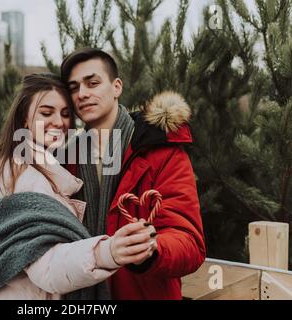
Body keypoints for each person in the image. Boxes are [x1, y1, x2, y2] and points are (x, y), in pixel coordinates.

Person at [0, 73, 157, 300]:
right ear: (24, 119)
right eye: (46, 113)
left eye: (66, 114)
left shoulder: (23, 166)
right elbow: (47, 267)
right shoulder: (25, 177)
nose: (59, 122)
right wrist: (108, 251)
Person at [61, 48, 206, 300]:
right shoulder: (64, 160)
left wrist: (152, 247)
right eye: (73, 88)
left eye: (92, 83)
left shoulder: (160, 151)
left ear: (117, 87)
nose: (82, 94)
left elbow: (189, 241)